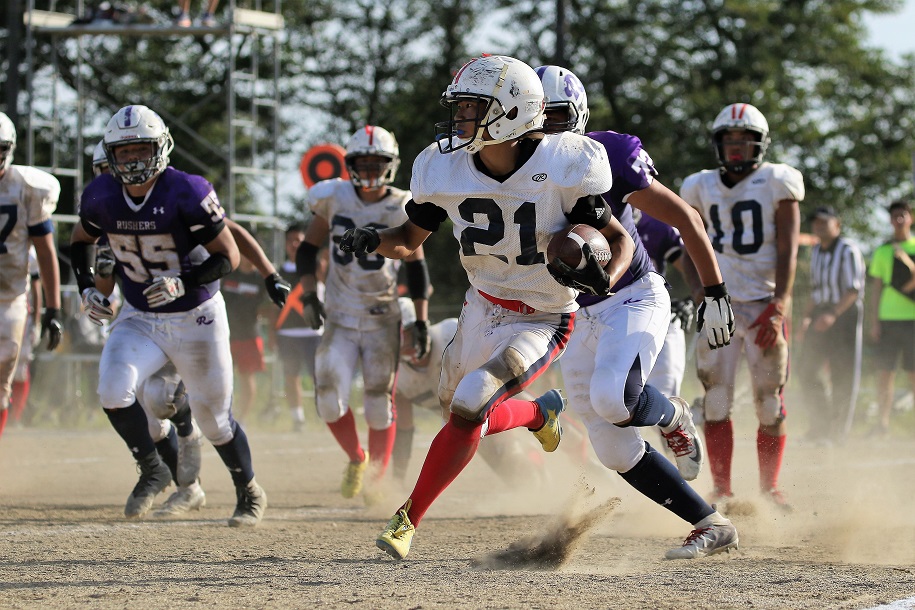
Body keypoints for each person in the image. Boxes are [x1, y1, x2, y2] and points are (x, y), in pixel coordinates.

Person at [340, 55, 638, 560]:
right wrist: (373, 240)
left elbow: (616, 237)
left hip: (543, 314)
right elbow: (410, 238)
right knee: (459, 411)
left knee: (473, 401)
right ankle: (538, 415)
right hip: (481, 305)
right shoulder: (446, 166)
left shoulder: (565, 161)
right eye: (461, 108)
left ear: (512, 112)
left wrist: (603, 280)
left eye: (473, 108)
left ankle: (407, 519)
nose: (461, 120)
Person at [535, 65, 738, 559]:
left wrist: (714, 290)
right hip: (576, 314)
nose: (546, 130)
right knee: (613, 449)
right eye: (535, 119)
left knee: (612, 398)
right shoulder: (513, 173)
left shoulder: (610, 155)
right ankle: (712, 524)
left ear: (579, 117)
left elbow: (685, 218)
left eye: (556, 116)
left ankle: (672, 415)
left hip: (632, 295)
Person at [71, 104, 266, 526]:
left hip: (196, 313)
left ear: (161, 148)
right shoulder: (100, 195)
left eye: (141, 149)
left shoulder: (187, 190)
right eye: (124, 153)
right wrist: (86, 285)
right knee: (113, 389)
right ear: (110, 156)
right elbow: (80, 240)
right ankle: (153, 469)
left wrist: (184, 279)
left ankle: (248, 488)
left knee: (214, 420)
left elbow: (228, 255)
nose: (133, 160)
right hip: (141, 315)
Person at [296, 125, 432, 502]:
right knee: (326, 395)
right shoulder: (333, 196)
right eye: (363, 162)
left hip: (381, 316)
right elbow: (307, 249)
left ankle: (376, 478)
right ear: (350, 164)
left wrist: (419, 320)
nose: (370, 170)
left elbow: (417, 268)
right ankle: (358, 458)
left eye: (378, 163)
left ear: (391, 165)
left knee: (377, 401)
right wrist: (310, 296)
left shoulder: (403, 203)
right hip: (339, 314)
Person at [680, 102, 804, 510]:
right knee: (716, 399)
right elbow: (687, 250)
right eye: (729, 141)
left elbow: (788, 249)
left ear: (759, 144)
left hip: (765, 303)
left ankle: (770, 489)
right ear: (718, 144)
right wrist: (703, 297)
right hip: (723, 305)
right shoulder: (699, 185)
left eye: (743, 141)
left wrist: (782, 303)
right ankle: (722, 489)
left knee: (769, 401)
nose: (736, 148)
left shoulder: (777, 182)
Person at [391, 298, 542, 487]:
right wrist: (397, 477)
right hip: (466, 422)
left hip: (501, 398)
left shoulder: (450, 334)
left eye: (403, 333)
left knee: (550, 425)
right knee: (518, 478)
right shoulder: (397, 376)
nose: (400, 342)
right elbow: (404, 428)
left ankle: (582, 460)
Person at [0, 111, 64, 442]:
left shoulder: (26, 187)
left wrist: (52, 309)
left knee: (2, 378)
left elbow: (46, 252)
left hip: (10, 297)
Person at [797, 206, 865, 441]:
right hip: (821, 311)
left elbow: (853, 290)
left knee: (843, 373)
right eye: (815, 222)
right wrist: (806, 317)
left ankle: (838, 432)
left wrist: (833, 315)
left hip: (843, 314)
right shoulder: (816, 250)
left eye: (824, 221)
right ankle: (820, 424)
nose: (818, 225)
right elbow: (815, 291)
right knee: (806, 369)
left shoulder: (848, 250)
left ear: (837, 224)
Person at [867, 200, 915, 436]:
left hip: (912, 320)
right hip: (888, 320)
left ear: (910, 218)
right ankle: (882, 424)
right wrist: (875, 321)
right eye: (895, 216)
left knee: (913, 374)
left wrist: (907, 262)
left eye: (903, 215)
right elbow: (876, 288)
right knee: (885, 373)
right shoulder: (882, 251)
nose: (899, 220)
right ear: (889, 220)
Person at [274, 223, 323, 431]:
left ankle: (325, 416)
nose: (295, 244)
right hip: (287, 333)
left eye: (299, 240)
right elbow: (273, 306)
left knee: (320, 378)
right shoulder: (276, 272)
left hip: (314, 332)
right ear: (285, 245)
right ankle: (298, 419)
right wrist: (272, 335)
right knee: (291, 376)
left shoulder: (317, 267)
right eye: (290, 241)